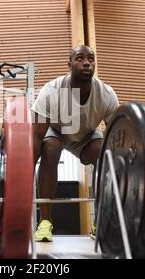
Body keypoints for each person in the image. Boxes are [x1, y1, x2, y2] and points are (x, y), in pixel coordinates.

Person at [31, 45, 119, 242]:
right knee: (50, 149)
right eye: (80, 58)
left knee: (105, 155)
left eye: (91, 58)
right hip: (57, 131)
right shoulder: (51, 91)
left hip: (87, 135)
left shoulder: (106, 94)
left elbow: (117, 138)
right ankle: (45, 222)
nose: (86, 62)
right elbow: (36, 137)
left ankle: (102, 220)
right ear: (69, 64)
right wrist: (23, 178)